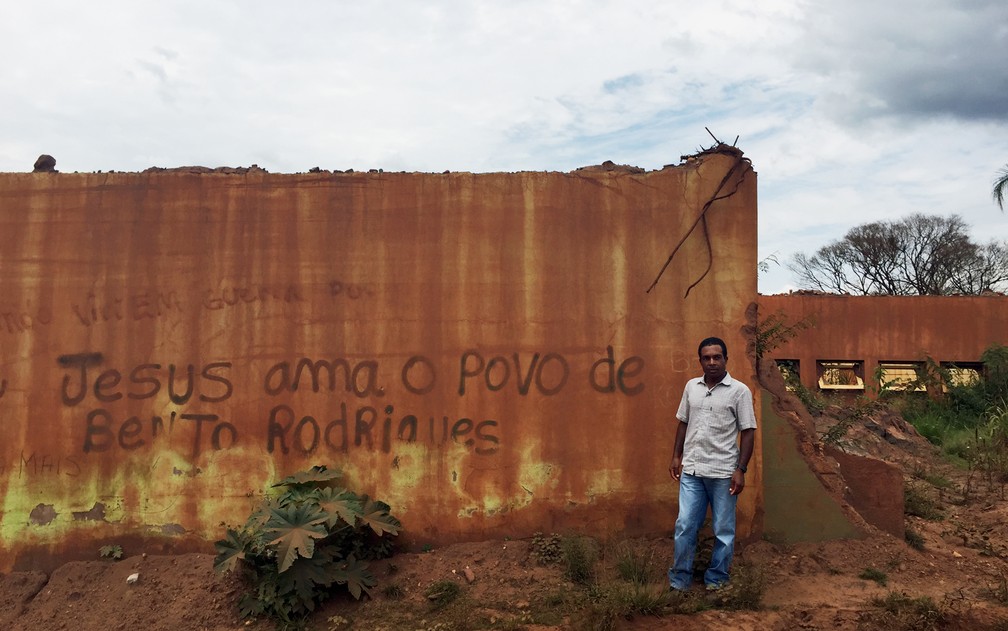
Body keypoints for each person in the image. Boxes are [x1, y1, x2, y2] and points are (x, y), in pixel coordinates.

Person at [668, 336, 757, 591]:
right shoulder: (691, 387)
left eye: (717, 357)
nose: (712, 362)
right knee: (685, 525)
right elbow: (683, 421)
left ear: (726, 359)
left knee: (723, 530)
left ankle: (717, 581)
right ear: (700, 361)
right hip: (693, 471)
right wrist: (676, 456)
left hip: (723, 474)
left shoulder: (739, 391)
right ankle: (679, 582)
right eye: (706, 358)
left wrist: (740, 470)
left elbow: (748, 431)